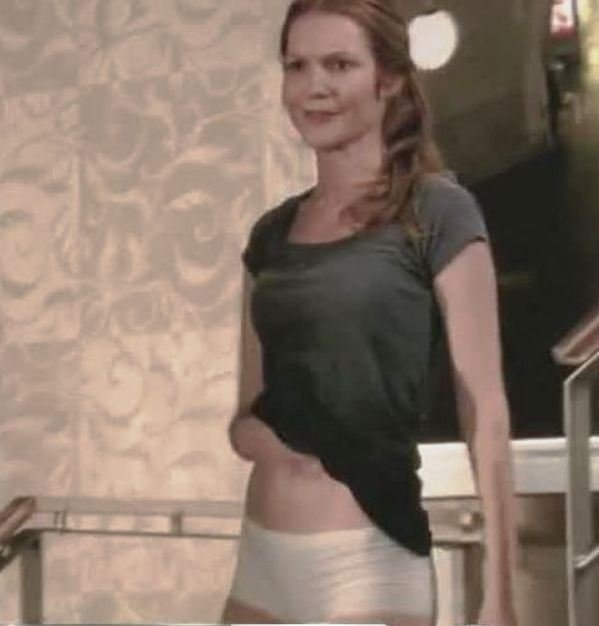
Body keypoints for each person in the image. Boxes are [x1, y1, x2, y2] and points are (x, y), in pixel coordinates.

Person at [222, 1, 520, 625]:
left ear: (387, 80)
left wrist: (500, 594)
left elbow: (485, 412)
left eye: (339, 64)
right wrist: (280, 444)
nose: (314, 86)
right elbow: (245, 416)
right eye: (297, 66)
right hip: (262, 559)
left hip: (366, 560)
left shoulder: (438, 211)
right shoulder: (270, 235)